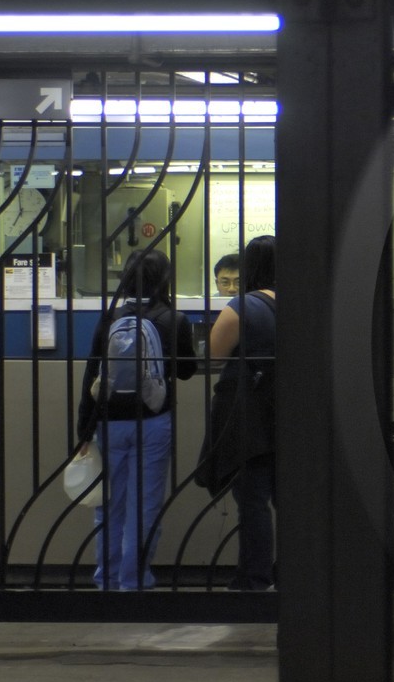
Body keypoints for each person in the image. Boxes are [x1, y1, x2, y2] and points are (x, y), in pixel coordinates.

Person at [76, 249, 197, 590]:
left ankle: (108, 581)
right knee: (144, 507)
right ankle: (135, 583)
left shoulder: (110, 317)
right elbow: (186, 370)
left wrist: (84, 428)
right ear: (164, 279)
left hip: (109, 422)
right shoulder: (173, 319)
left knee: (108, 507)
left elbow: (91, 375)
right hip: (153, 421)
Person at [208, 235, 278, 591]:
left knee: (252, 501)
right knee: (290, 499)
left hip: (249, 416)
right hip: (289, 414)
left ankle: (254, 579)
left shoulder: (242, 306)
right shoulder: (302, 303)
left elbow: (215, 355)